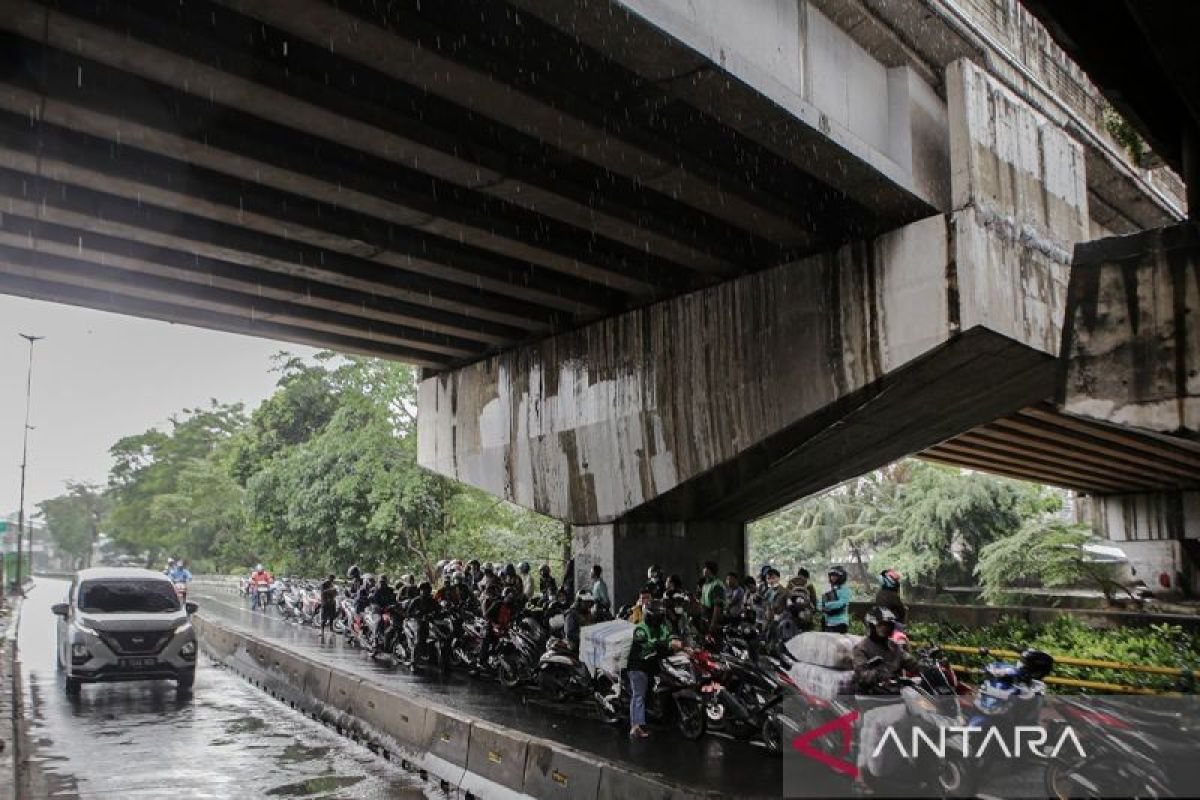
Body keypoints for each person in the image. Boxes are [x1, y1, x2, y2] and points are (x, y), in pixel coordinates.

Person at [627, 600, 676, 739]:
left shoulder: (661, 627)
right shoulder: (640, 629)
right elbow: (649, 645)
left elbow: (669, 635)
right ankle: (635, 726)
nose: (659, 620)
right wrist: (668, 643)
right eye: (657, 617)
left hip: (653, 665)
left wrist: (674, 640)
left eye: (661, 617)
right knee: (639, 694)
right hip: (639, 666)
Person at [820, 565, 852, 633]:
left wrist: (826, 605)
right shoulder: (827, 589)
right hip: (827, 623)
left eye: (835, 575)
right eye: (831, 575)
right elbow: (819, 603)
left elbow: (841, 603)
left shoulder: (845, 590)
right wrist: (823, 606)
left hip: (840, 622)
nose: (833, 577)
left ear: (841, 577)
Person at [698, 561, 725, 636]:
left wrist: (713, 625)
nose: (703, 570)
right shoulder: (705, 585)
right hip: (705, 620)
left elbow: (717, 607)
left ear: (709, 570)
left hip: (713, 621)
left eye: (705, 568)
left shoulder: (717, 585)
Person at [319, 574, 338, 639]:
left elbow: (335, 593)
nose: (332, 580)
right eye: (331, 578)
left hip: (332, 603)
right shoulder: (324, 584)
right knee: (323, 618)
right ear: (329, 578)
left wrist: (334, 592)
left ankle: (331, 629)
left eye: (333, 579)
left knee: (332, 617)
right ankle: (322, 631)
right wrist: (329, 590)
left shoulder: (332, 584)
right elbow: (322, 592)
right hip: (325, 603)